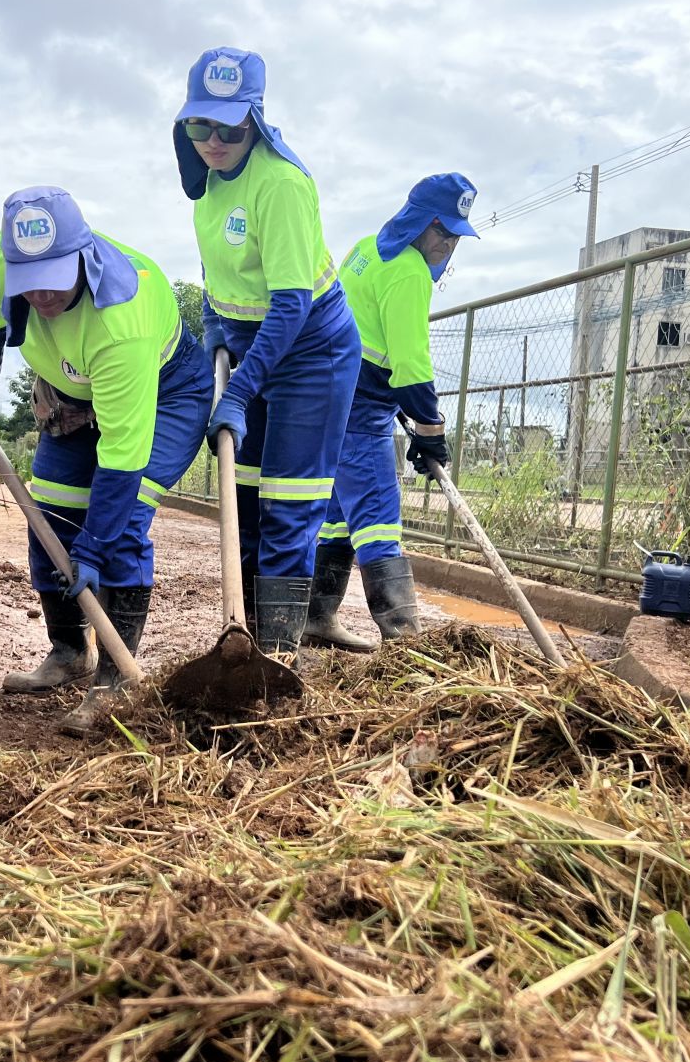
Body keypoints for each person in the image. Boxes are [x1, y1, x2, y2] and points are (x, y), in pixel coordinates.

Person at [0, 187, 213, 734]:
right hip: (73, 390)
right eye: (28, 280)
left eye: (53, 276)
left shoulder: (121, 321)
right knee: (50, 517)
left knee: (123, 521)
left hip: (165, 389)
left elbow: (122, 457)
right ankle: (70, 652)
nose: (39, 293)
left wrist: (96, 545)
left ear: (81, 258)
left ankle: (115, 679)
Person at [173, 47, 360, 655]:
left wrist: (242, 391)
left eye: (230, 125)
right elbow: (215, 276)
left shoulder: (279, 183)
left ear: (255, 115)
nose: (215, 139)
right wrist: (215, 329)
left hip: (310, 347)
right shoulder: (205, 186)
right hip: (251, 341)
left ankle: (277, 656)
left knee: (288, 500)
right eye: (201, 125)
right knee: (247, 493)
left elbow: (289, 305)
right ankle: (244, 639)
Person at [305, 174, 480, 648]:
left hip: (333, 395)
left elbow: (357, 328)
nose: (448, 246)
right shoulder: (409, 272)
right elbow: (409, 364)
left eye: (456, 237)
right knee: (379, 515)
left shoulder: (366, 248)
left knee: (338, 517)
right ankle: (405, 643)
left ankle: (315, 618)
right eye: (443, 233)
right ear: (421, 223)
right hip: (359, 411)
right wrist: (430, 429)